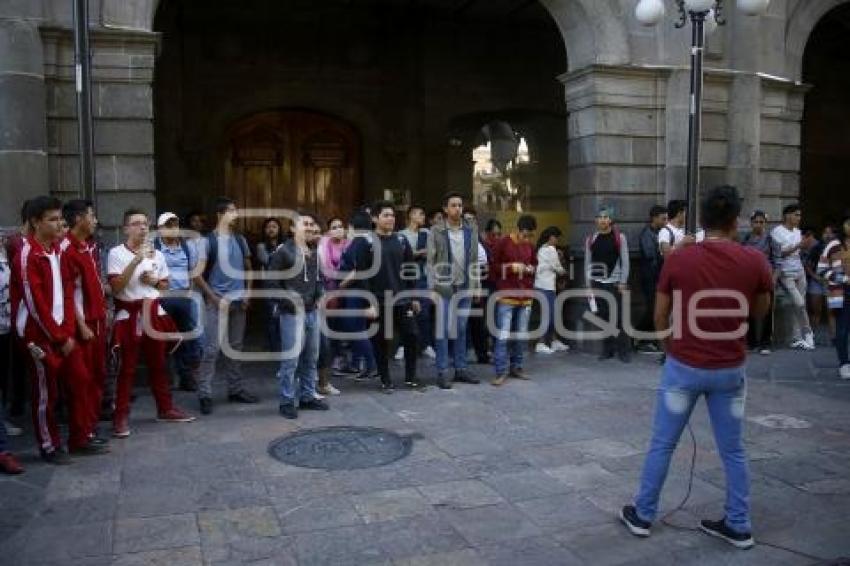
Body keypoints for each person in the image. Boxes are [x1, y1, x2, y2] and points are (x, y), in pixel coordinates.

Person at [620, 185, 772, 550]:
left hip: (683, 366)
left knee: (662, 444)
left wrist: (671, 348)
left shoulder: (679, 258)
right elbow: (761, 311)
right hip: (730, 368)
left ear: (700, 220)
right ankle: (738, 523)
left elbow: (659, 316)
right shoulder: (754, 261)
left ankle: (643, 514)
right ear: (736, 221)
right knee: (733, 450)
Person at [18, 196, 103, 462]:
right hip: (38, 335)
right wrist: (58, 335)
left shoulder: (56, 251)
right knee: (46, 393)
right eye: (52, 220)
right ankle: (48, 444)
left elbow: (67, 294)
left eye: (59, 220)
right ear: (35, 222)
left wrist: (66, 331)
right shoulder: (29, 254)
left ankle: (80, 436)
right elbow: (35, 304)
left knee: (80, 379)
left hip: (62, 332)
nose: (58, 225)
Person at [107, 208, 196, 437]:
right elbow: (116, 287)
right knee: (127, 369)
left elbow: (165, 286)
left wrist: (155, 281)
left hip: (154, 311)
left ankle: (165, 408)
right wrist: (136, 261)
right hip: (130, 313)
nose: (143, 227)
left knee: (159, 364)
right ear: (126, 228)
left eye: (145, 223)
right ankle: (121, 417)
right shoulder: (116, 253)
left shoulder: (157, 254)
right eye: (136, 223)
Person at [194, 197, 260, 415]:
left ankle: (235, 389)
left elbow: (249, 267)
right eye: (231, 211)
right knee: (212, 348)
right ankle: (204, 393)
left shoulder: (240, 240)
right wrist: (212, 298)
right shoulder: (208, 241)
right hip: (218, 301)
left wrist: (248, 292)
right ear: (220, 215)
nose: (236, 214)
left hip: (239, 301)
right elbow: (196, 274)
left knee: (236, 348)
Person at [354, 201, 423, 393]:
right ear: (375, 218)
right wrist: (368, 303)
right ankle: (385, 380)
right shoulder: (366, 242)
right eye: (385, 215)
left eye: (392, 215)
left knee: (412, 335)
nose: (390, 219)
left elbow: (410, 271)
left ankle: (411, 378)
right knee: (381, 341)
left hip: (402, 299)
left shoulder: (401, 240)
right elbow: (362, 274)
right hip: (378, 301)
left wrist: (414, 296)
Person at [268, 212, 330, 418]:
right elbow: (272, 286)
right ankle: (286, 401)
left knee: (311, 357)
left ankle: (307, 396)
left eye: (312, 224)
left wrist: (320, 295)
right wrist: (290, 302)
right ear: (293, 229)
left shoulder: (313, 251)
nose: (310, 227)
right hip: (291, 314)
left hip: (312, 312)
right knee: (291, 360)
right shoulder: (283, 252)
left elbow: (318, 279)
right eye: (305, 224)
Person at [60, 200, 110, 445]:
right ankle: (80, 435)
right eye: (92, 215)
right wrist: (80, 324)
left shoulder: (86, 247)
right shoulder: (67, 249)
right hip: (84, 325)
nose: (95, 220)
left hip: (97, 320)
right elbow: (69, 292)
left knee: (98, 375)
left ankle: (89, 428)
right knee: (82, 379)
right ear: (79, 218)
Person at [427, 192, 482, 389]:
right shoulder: (436, 231)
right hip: (444, 288)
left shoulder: (470, 230)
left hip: (465, 286)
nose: (457, 208)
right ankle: (442, 371)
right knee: (442, 329)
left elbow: (475, 259)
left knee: (460, 328)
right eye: (453, 205)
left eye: (460, 205)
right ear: (445, 209)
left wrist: (477, 286)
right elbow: (430, 261)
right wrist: (431, 288)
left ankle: (460, 368)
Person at [154, 212, 202, 392]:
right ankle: (165, 379)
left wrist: (189, 292)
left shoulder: (186, 247)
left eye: (175, 225)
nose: (172, 229)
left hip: (183, 298)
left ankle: (186, 377)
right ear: (159, 229)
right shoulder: (154, 248)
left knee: (186, 340)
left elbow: (191, 271)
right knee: (164, 340)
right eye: (168, 226)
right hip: (163, 298)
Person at [490, 214, 538, 386]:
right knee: (503, 336)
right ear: (517, 229)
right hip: (506, 295)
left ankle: (517, 366)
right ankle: (500, 371)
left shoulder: (530, 246)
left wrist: (531, 268)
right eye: (524, 234)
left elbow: (535, 265)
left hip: (525, 296)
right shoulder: (503, 243)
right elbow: (493, 267)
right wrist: (510, 267)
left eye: (530, 236)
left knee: (521, 336)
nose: (526, 239)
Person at [585, 206, 631, 363]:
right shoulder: (591, 239)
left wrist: (623, 282)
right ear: (596, 220)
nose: (603, 220)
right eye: (600, 217)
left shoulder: (620, 237)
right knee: (603, 318)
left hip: (614, 283)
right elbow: (587, 262)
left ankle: (624, 350)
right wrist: (588, 284)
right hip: (597, 283)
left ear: (610, 220)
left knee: (618, 318)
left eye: (606, 217)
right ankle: (607, 349)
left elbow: (625, 261)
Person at [338, 210, 378, 379]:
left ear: (353, 226)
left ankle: (371, 365)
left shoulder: (360, 242)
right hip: (361, 290)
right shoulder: (371, 240)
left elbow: (358, 270)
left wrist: (342, 284)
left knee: (355, 328)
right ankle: (357, 364)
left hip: (356, 290)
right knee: (357, 328)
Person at [770, 203, 815, 350]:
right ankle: (808, 332)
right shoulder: (777, 231)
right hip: (785, 272)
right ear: (787, 216)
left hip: (799, 270)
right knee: (799, 303)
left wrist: (806, 245)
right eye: (796, 215)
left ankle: (796, 338)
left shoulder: (798, 231)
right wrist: (798, 246)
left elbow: (800, 251)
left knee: (800, 304)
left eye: (800, 215)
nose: (799, 218)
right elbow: (779, 253)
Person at [316, 217, 347, 395]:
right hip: (328, 292)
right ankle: (320, 373)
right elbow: (326, 269)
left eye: (340, 226)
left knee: (338, 328)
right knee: (325, 333)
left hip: (346, 292)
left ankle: (334, 363)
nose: (338, 229)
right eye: (334, 227)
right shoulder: (324, 245)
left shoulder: (348, 244)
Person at [400, 205, 436, 360]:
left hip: (423, 277)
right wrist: (420, 252)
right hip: (406, 277)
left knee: (424, 313)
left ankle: (426, 345)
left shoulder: (426, 233)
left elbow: (433, 252)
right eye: (420, 214)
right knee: (406, 313)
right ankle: (404, 346)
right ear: (412, 215)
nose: (423, 217)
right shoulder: (401, 235)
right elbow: (402, 254)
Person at [818, 216, 850, 379]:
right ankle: (844, 363)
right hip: (841, 291)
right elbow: (822, 269)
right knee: (842, 330)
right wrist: (843, 279)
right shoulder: (833, 245)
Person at [742, 210, 776, 355]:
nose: (758, 225)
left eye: (761, 222)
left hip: (767, 278)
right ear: (751, 223)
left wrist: (774, 278)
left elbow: (777, 261)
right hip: (749, 278)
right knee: (748, 310)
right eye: (756, 222)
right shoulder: (746, 239)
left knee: (767, 311)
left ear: (765, 224)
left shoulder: (770, 240)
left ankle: (765, 342)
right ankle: (750, 342)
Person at [636, 205, 667, 353]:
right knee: (652, 309)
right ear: (654, 218)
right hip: (650, 277)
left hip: (656, 276)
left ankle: (647, 339)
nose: (665, 221)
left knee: (655, 308)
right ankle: (639, 336)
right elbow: (651, 257)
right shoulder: (647, 234)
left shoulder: (659, 232)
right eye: (663, 218)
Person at [534, 226, 568, 354]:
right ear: (551, 237)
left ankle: (553, 341)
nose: (557, 240)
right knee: (549, 316)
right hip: (546, 287)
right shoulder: (551, 249)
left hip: (541, 286)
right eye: (556, 237)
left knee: (550, 315)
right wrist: (565, 271)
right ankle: (541, 343)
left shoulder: (541, 249)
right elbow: (557, 267)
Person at [255, 217, 284, 353]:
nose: (271, 229)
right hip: (269, 287)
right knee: (272, 318)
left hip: (285, 286)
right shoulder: (261, 246)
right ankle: (274, 348)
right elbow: (267, 261)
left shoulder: (286, 244)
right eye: (268, 227)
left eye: (274, 226)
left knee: (284, 317)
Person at [802, 227, 827, 343]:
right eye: (826, 232)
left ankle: (834, 337)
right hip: (815, 281)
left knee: (830, 312)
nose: (828, 235)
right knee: (815, 310)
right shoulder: (815, 248)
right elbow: (807, 266)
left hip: (829, 281)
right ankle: (811, 335)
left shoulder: (837, 247)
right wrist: (815, 277)